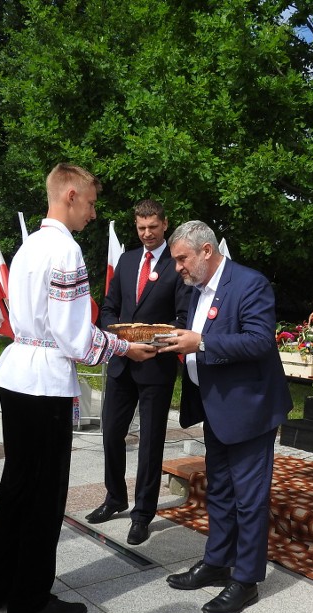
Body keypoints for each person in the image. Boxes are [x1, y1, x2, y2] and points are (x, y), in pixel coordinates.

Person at [0, 163, 156, 613]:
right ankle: (30, 599)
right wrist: (122, 347)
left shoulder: (29, 246)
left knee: (16, 486)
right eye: (93, 203)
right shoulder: (65, 251)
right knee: (44, 494)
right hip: (44, 381)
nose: (94, 214)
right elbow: (74, 337)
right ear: (71, 195)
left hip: (18, 374)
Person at [159, 220, 292, 613]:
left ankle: (246, 579)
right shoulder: (193, 289)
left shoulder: (249, 284)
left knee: (249, 499)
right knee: (219, 490)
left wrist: (200, 342)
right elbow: (196, 333)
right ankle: (217, 563)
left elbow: (258, 339)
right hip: (215, 406)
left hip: (249, 408)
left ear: (206, 250)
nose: (177, 268)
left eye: (182, 259)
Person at [87, 199, 191, 545]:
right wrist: (119, 335)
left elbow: (182, 317)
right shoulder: (127, 261)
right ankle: (115, 497)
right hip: (121, 362)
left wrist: (153, 343)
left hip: (156, 367)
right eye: (141, 228)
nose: (146, 233)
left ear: (164, 224)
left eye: (152, 227)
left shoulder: (176, 265)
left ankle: (143, 513)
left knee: (149, 444)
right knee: (111, 434)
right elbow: (110, 307)